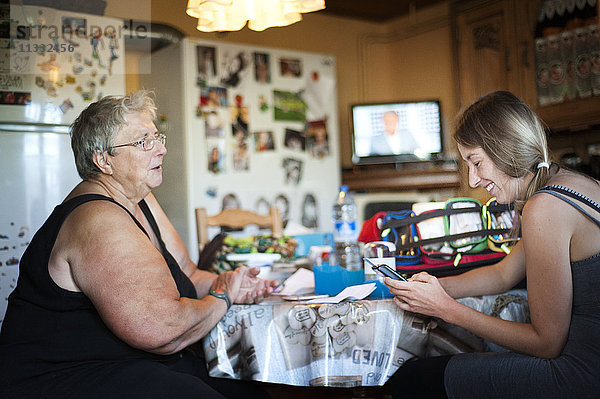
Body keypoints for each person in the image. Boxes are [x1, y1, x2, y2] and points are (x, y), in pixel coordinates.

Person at [0, 90, 277, 399]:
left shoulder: (139, 197)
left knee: (252, 390)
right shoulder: (97, 219)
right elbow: (162, 331)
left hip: (134, 364)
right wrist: (222, 297)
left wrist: (235, 284)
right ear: (103, 160)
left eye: (156, 136)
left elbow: (188, 273)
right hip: (62, 379)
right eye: (143, 141)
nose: (160, 149)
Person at [384, 91, 600, 398]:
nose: (472, 180)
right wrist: (434, 287)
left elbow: (546, 343)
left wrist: (445, 309)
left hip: (580, 375)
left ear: (506, 149)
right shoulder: (572, 182)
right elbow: (502, 275)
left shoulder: (545, 208)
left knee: (412, 379)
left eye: (476, 162)